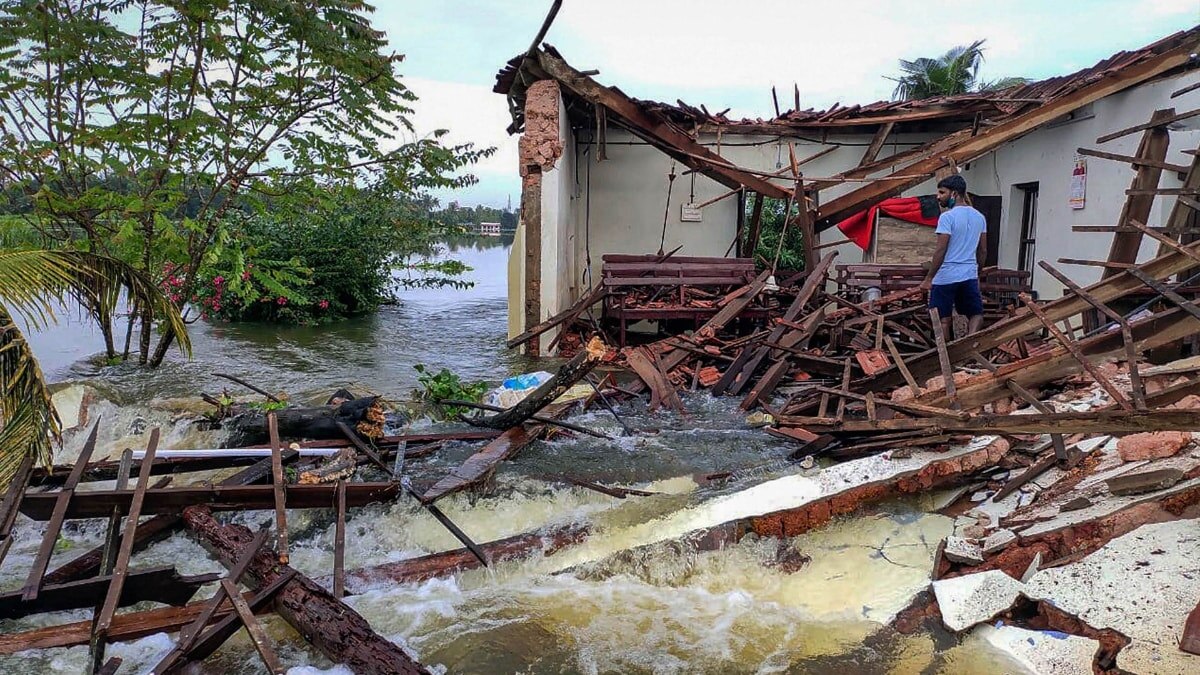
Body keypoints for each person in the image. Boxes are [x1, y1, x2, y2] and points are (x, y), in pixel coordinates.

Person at [920, 175, 987, 340]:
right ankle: (970, 347)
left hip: (946, 276)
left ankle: (947, 352)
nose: (938, 197)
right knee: (976, 314)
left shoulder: (947, 217)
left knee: (942, 318)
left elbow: (941, 249)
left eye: (942, 192)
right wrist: (977, 272)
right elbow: (983, 250)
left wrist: (929, 278)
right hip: (969, 275)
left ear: (954, 194)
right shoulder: (979, 217)